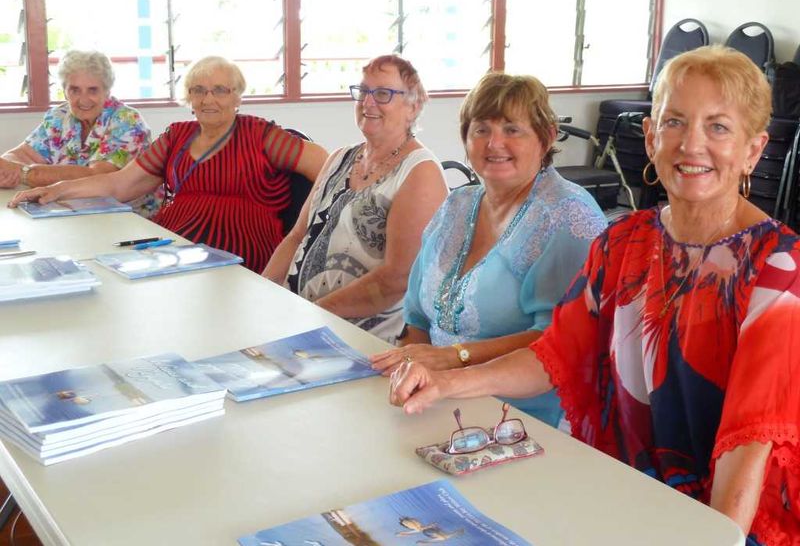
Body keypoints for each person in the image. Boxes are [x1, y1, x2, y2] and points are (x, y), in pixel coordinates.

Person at [389, 45, 800, 544]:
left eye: (717, 127)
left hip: (725, 520)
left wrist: (716, 539)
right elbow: (556, 354)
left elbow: (749, 441)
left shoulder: (779, 270)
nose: (691, 144)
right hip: (621, 493)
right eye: (673, 122)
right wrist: (449, 383)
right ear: (650, 137)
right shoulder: (625, 241)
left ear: (753, 150)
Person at [369, 72, 606, 426]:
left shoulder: (569, 217)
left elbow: (556, 342)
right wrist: (412, 369)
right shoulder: (458, 204)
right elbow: (416, 317)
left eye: (512, 129)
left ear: (547, 137)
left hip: (530, 420)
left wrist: (453, 358)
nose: (494, 143)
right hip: (439, 401)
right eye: (481, 129)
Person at [9, 56, 327, 273]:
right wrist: (53, 190)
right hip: (172, 246)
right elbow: (119, 184)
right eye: (198, 90)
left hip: (241, 254)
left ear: (237, 96)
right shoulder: (178, 136)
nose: (208, 99)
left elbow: (327, 165)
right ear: (188, 97)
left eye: (220, 90)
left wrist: (301, 231)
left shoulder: (262, 135)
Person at [264, 54, 448, 344]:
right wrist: (263, 295)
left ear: (413, 106)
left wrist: (312, 315)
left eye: (383, 93)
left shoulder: (420, 172)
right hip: (300, 322)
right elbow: (297, 236)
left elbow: (396, 280)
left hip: (364, 339)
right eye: (363, 91)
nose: (368, 102)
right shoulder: (340, 158)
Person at [0, 50, 155, 214]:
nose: (83, 100)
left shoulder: (127, 121)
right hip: (68, 212)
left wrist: (24, 173)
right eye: (74, 90)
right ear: (64, 90)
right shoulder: (59, 116)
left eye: (93, 90)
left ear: (107, 91)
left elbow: (96, 177)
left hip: (126, 218)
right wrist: (7, 172)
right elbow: (20, 155)